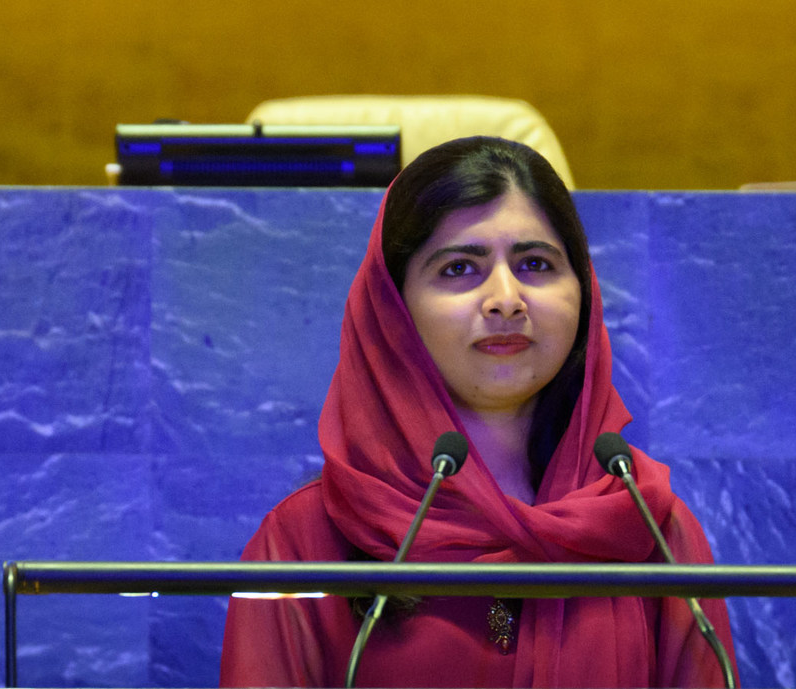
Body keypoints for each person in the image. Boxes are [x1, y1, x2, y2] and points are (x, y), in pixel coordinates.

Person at [219, 136, 738, 688]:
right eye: (460, 268)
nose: (506, 299)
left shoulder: (647, 528)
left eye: (536, 263)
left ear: (583, 293)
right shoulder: (307, 543)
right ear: (392, 310)